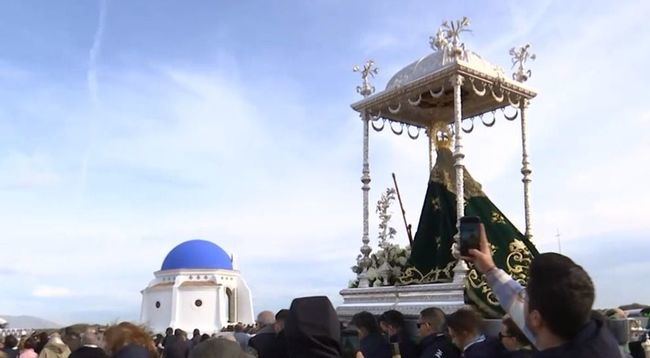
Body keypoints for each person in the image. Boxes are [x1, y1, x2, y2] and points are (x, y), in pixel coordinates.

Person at [463, 223, 620, 357]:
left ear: (535, 319)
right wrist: (490, 270)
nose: (521, 299)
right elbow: (517, 302)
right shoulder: (597, 335)